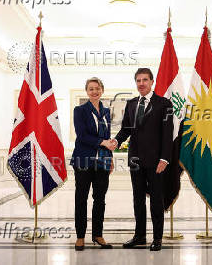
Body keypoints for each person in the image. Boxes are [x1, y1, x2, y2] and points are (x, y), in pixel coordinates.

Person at [112, 68, 173, 251]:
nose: (141, 83)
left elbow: (167, 133)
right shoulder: (131, 104)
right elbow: (126, 130)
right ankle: (139, 236)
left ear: (152, 81)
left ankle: (157, 238)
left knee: (156, 201)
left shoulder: (164, 103)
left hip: (156, 162)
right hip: (136, 161)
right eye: (138, 80)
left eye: (145, 80)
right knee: (138, 200)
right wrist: (116, 140)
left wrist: (165, 158)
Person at [70, 77, 115, 251]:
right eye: (91, 89)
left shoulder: (106, 111)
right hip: (83, 160)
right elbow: (82, 135)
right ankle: (80, 236)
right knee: (81, 199)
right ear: (87, 91)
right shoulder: (80, 110)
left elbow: (108, 136)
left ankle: (98, 235)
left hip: (102, 162)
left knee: (100, 199)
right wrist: (103, 143)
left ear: (102, 90)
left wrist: (109, 158)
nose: (94, 91)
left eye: (97, 88)